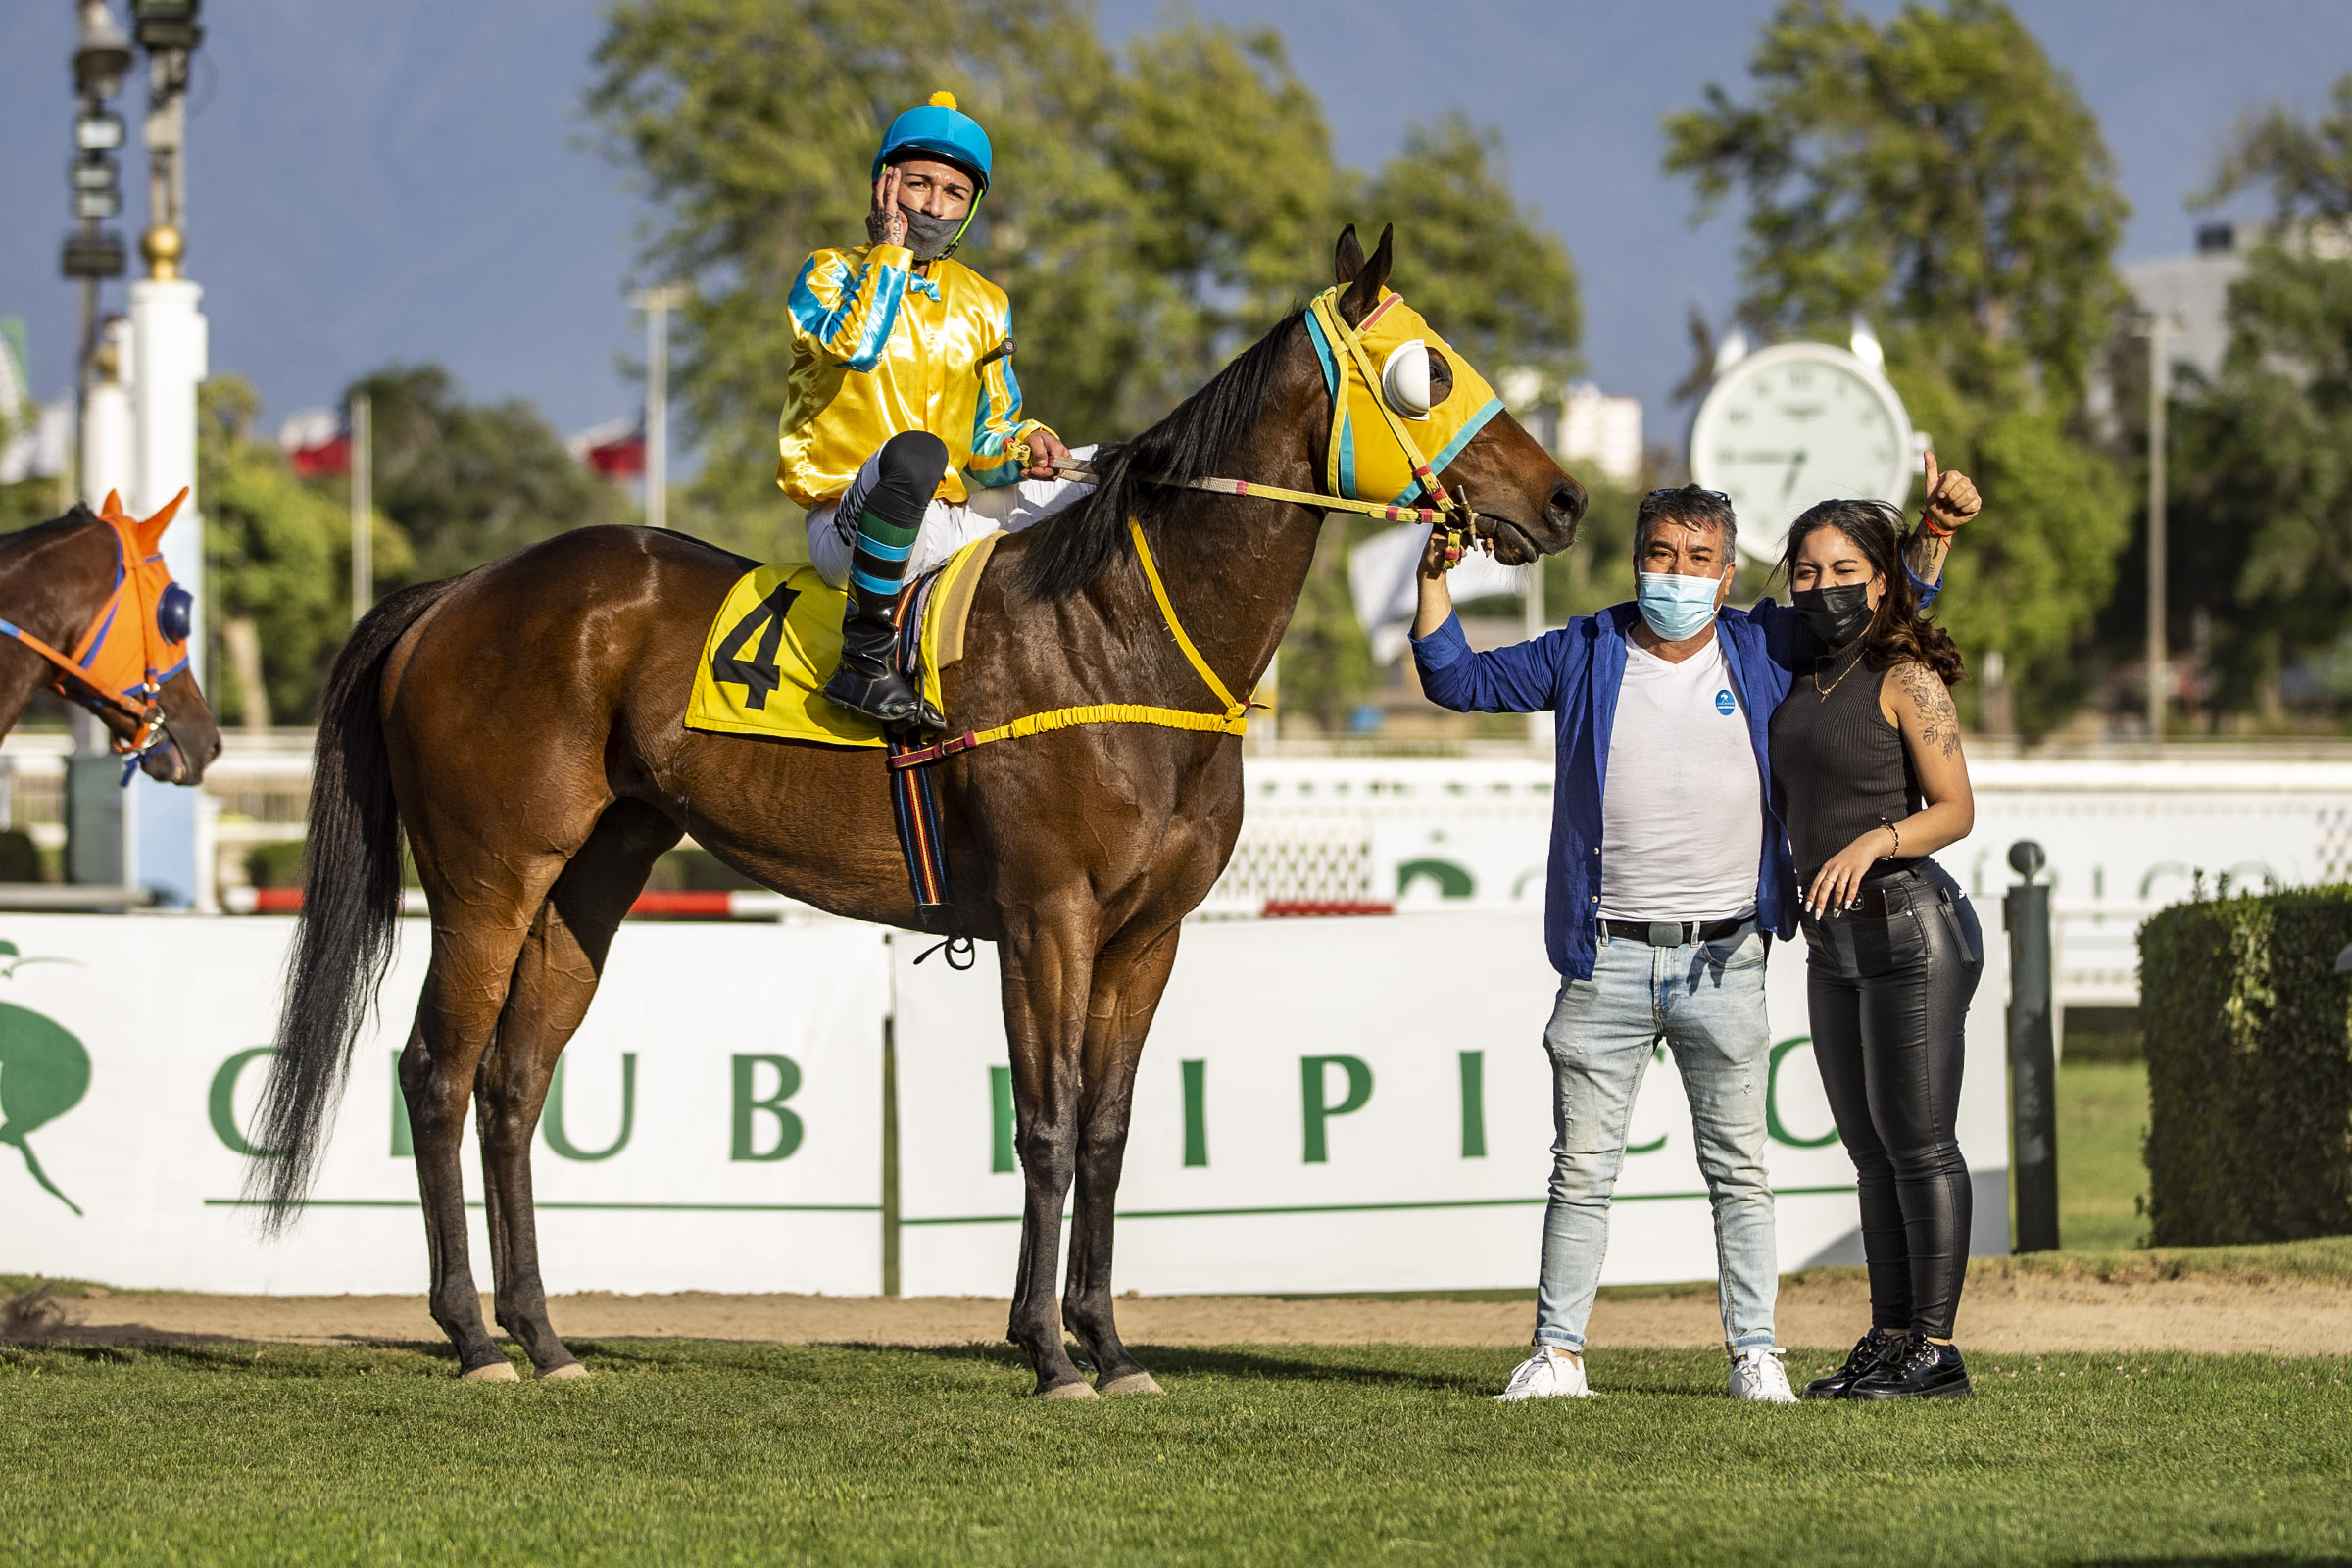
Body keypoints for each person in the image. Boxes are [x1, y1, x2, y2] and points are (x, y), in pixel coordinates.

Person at [1409, 457, 1979, 1402]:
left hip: (1727, 955)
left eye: (1699, 557)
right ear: (1636, 562)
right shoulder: (1586, 648)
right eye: (1662, 555)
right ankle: (1557, 1356)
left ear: (1726, 573)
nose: (1678, 572)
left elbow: (1877, 609)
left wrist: (1934, 536)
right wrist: (1434, 578)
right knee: (1581, 1173)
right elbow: (1456, 679)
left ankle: (1758, 1355)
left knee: (1742, 1174)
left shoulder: (1763, 644)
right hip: (1607, 954)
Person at [777, 91, 1084, 727]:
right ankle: (864, 660)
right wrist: (888, 251)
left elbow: (989, 439)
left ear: (972, 207)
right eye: (918, 185)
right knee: (916, 453)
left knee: (1113, 472)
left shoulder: (987, 302)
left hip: (950, 523)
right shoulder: (826, 273)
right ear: (883, 184)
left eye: (954, 193)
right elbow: (855, 347)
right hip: (851, 524)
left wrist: (1028, 446)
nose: (934, 207)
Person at [1769, 493, 1983, 1401]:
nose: (1823, 587)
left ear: (1882, 581)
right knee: (1869, 1152)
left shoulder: (1906, 676)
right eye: (1807, 572)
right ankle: (1890, 1337)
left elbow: (1956, 810)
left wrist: (1875, 841)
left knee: (1920, 1146)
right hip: (1834, 944)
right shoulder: (1797, 669)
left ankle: (1935, 1350)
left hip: (1909, 930)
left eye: (1844, 571)